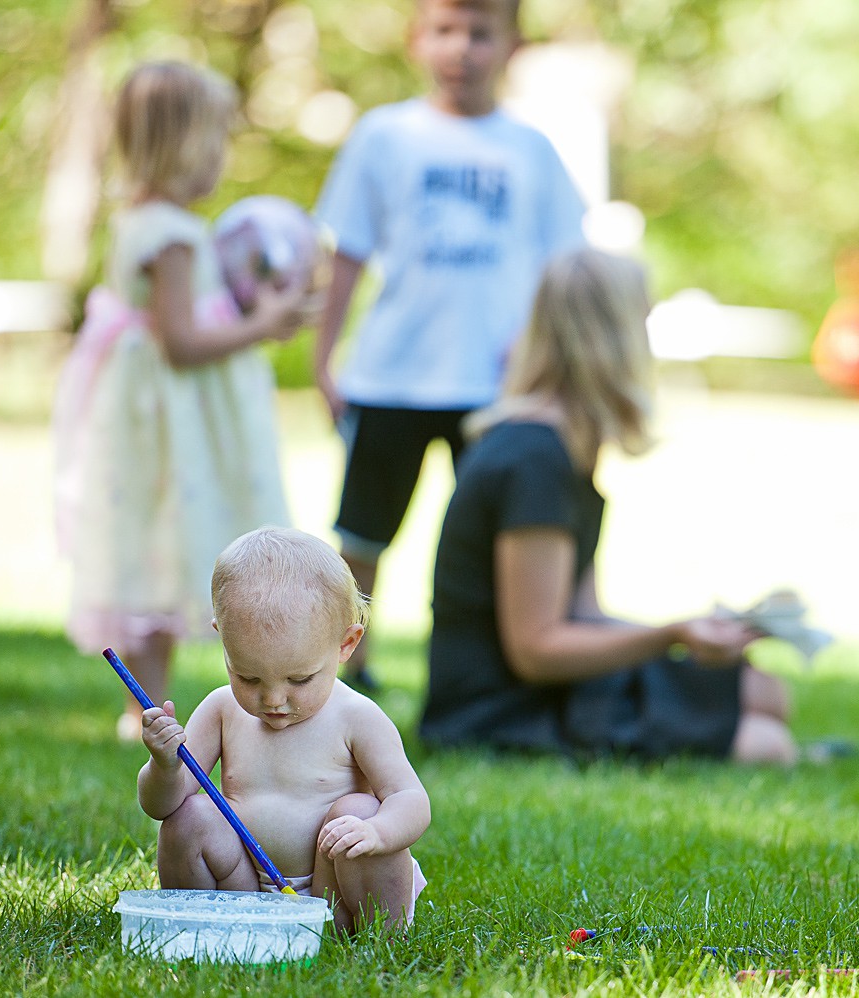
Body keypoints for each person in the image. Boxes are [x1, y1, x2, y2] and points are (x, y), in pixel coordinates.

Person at [421, 248, 799, 765]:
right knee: (769, 745)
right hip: (497, 711)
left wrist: (692, 631)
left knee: (767, 690)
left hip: (549, 688)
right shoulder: (534, 458)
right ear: (613, 337)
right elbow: (536, 650)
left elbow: (582, 614)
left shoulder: (564, 445)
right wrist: (668, 635)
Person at [312, 0, 588, 693]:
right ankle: (346, 675)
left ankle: (478, 678)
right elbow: (344, 253)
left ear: (510, 44)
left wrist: (549, 367)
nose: (461, 48)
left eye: (480, 33)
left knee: (497, 543)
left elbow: (564, 271)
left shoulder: (532, 150)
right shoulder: (384, 136)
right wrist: (325, 358)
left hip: (498, 392)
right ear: (417, 40)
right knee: (363, 539)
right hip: (391, 377)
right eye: (444, 31)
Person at [53, 61, 313, 741]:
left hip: (151, 411)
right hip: (169, 419)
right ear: (181, 144)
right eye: (216, 141)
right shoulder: (170, 232)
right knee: (164, 533)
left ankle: (147, 701)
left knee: (152, 538)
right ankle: (149, 705)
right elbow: (181, 342)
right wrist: (265, 326)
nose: (222, 159)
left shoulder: (139, 219)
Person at [137, 527, 431, 934]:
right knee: (190, 818)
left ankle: (381, 934)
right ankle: (201, 926)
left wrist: (376, 832)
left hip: (336, 894)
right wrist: (164, 765)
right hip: (247, 892)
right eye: (249, 678)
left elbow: (411, 798)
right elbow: (161, 807)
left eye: (300, 679)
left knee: (357, 811)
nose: (274, 700)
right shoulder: (222, 709)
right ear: (224, 640)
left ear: (346, 644)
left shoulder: (357, 717)